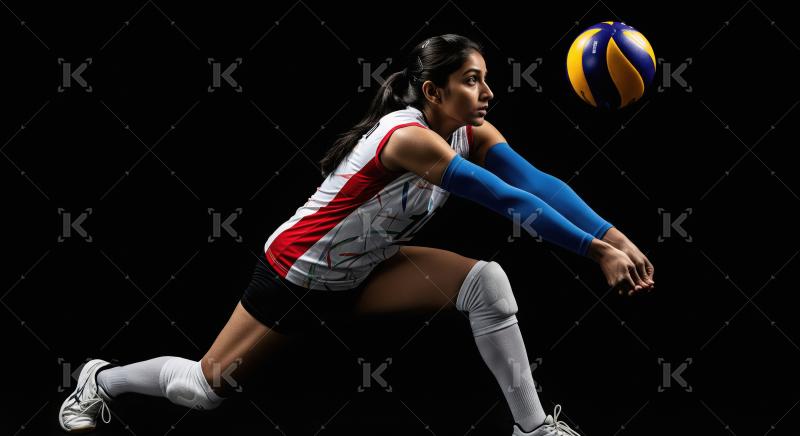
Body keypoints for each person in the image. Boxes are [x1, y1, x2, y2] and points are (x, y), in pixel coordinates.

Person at [59, 34, 654, 436]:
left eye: (486, 80)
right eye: (473, 81)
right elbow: (504, 199)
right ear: (434, 91)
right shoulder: (410, 138)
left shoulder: (470, 132)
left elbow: (536, 183)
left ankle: (532, 427)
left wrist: (613, 234)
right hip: (298, 275)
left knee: (486, 284)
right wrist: (593, 250)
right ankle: (100, 379)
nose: (488, 93)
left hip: (368, 271)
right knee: (207, 387)